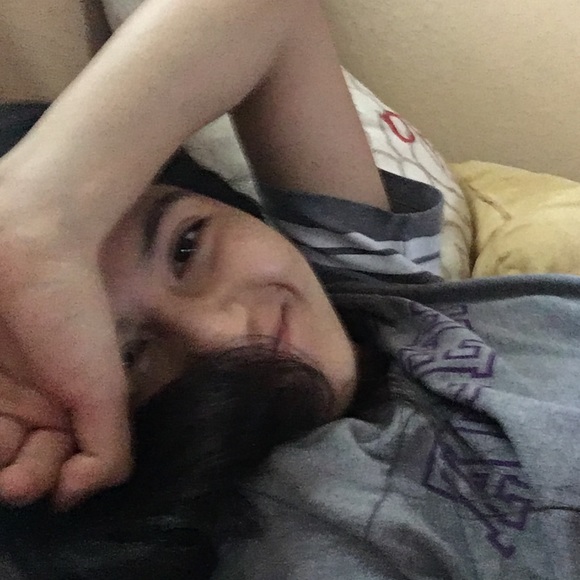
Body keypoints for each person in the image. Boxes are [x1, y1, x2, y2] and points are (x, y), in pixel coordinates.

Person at [0, 1, 580, 580]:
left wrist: (39, 217)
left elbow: (267, 12)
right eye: (128, 356)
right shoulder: (283, 544)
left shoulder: (365, 284)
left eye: (186, 247)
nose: (224, 334)